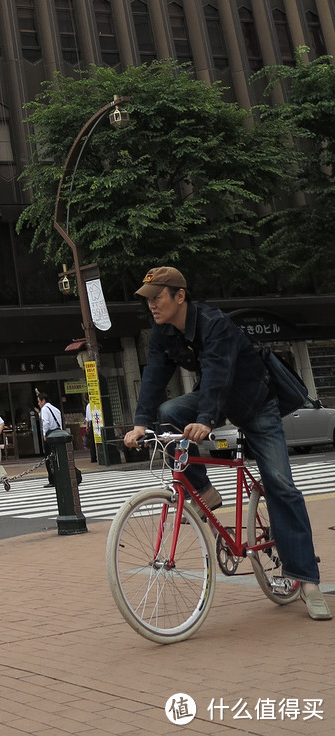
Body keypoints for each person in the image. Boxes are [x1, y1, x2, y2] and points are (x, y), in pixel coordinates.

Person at [124, 265, 331, 622]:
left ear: (179, 296)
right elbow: (155, 375)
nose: (152, 306)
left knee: (281, 485)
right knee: (168, 413)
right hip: (214, 400)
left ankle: (307, 579)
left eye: (157, 298)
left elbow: (219, 371)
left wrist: (205, 419)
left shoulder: (214, 323)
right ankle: (205, 490)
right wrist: (141, 423)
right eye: (148, 300)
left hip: (255, 403)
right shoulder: (162, 332)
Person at [36, 391, 65, 486]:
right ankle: (61, 476)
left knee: (49, 458)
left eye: (39, 401)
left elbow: (46, 422)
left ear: (43, 401)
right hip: (58, 433)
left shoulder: (44, 409)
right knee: (58, 456)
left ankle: (52, 479)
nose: (38, 404)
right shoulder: (55, 409)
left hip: (50, 434)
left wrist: (44, 434)